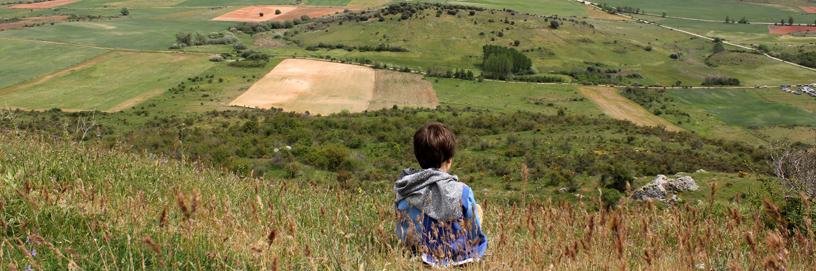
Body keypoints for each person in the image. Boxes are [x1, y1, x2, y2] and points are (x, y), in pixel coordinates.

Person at [394, 122, 488, 267]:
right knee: (477, 209)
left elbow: (402, 228)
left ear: (419, 159)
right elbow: (473, 227)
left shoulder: (407, 187)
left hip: (419, 252)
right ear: (449, 160)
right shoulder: (462, 190)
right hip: (458, 253)